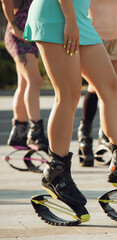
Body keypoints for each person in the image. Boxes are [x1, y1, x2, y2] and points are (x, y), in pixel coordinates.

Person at [23, 0, 117, 212]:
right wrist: (70, 20)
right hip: (57, 16)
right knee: (68, 94)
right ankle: (56, 172)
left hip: (79, 19)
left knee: (110, 86)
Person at [77, 0, 117, 167]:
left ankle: (106, 135)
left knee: (110, 90)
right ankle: (85, 135)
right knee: (95, 88)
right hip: (94, 37)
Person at [2, 0, 48, 151]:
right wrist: (14, 27)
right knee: (35, 81)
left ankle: (19, 131)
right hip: (19, 35)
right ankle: (35, 132)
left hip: (31, 35)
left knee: (24, 83)